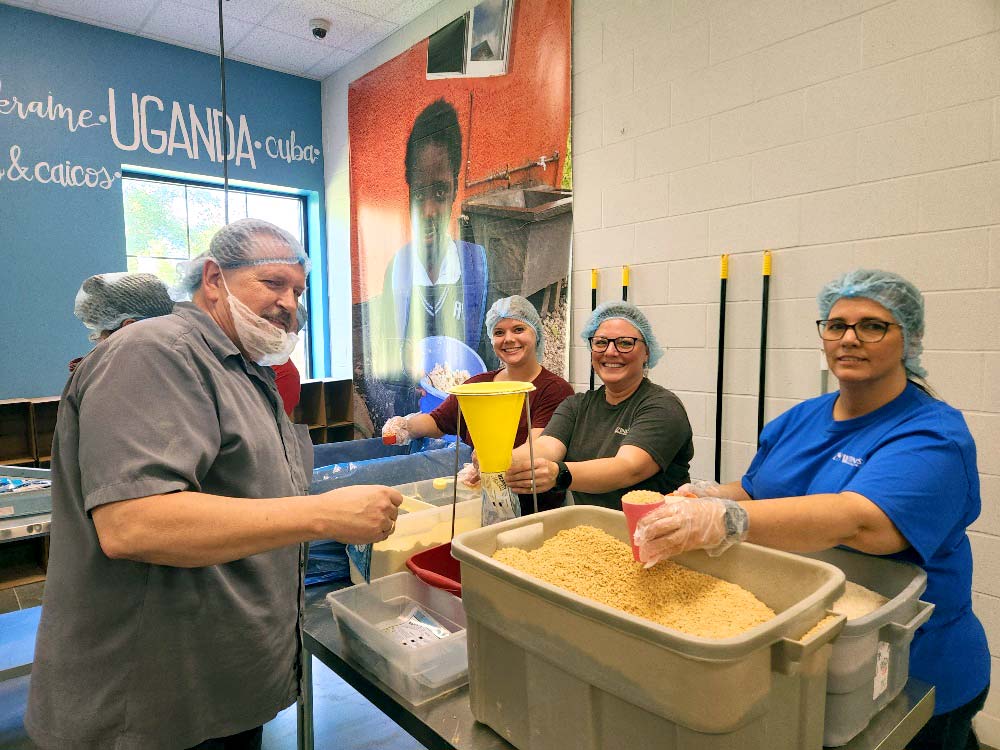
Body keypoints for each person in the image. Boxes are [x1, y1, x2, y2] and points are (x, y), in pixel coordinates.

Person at [26, 218, 402, 750]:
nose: (290, 304)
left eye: (298, 291)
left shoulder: (245, 372)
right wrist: (322, 515)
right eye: (272, 284)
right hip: (152, 703)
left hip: (218, 686)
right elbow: (135, 525)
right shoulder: (155, 353)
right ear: (212, 279)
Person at [635, 269, 990, 750]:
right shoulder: (801, 418)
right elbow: (758, 489)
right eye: (836, 325)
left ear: (909, 338)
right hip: (811, 648)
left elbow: (863, 522)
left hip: (909, 667)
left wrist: (726, 520)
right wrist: (709, 496)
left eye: (872, 326)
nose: (849, 339)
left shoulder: (932, 436)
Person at [382, 295, 574, 513]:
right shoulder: (478, 385)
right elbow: (437, 422)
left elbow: (541, 446)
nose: (508, 339)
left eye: (519, 329)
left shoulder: (554, 390)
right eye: (499, 332)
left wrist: (493, 464)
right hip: (486, 505)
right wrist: (405, 426)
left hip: (537, 508)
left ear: (536, 334)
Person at [366, 98, 490, 421]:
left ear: (454, 190)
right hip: (416, 426)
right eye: (420, 195)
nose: (430, 211)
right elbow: (385, 372)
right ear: (408, 195)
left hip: (467, 430)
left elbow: (492, 363)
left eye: (440, 192)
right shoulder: (398, 270)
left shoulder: (477, 266)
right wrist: (409, 396)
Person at [504, 300, 694, 509]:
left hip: (654, 532)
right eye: (601, 342)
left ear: (646, 352)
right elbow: (545, 447)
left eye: (625, 343)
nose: (611, 352)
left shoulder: (662, 407)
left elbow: (627, 468)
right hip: (593, 532)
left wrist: (559, 474)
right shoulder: (576, 405)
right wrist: (502, 459)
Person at [68, 271, 175, 372]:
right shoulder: (177, 363)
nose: (96, 342)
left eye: (98, 333)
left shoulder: (124, 378)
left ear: (129, 328)